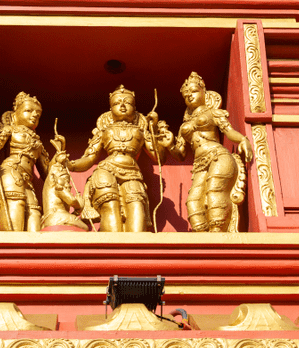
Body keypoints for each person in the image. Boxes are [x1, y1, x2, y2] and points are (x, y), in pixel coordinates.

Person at [64, 86, 172, 232]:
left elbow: (159, 158)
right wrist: (70, 165)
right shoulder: (104, 131)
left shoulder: (140, 131)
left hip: (132, 173)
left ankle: (134, 250)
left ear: (134, 108)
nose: (122, 106)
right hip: (106, 170)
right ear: (110, 110)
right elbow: (89, 158)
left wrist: (153, 129)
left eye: (127, 102)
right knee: (110, 206)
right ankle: (111, 247)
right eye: (116, 103)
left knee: (137, 209)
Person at [171, 72, 252, 232]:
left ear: (205, 93)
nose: (189, 96)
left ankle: (218, 232)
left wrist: (243, 140)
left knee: (214, 192)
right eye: (186, 95)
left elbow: (228, 131)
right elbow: (180, 153)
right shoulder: (183, 126)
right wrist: (168, 144)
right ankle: (203, 236)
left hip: (217, 157)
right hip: (200, 165)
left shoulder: (213, 113)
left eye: (194, 91)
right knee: (193, 201)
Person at [0, 92, 51, 232]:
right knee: (15, 203)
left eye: (37, 114)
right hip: (11, 171)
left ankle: (34, 248)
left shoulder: (38, 142)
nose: (34, 115)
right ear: (15, 113)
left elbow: (47, 173)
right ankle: (9, 244)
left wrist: (60, 160)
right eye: (28, 111)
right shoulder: (10, 130)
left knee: (34, 212)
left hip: (28, 179)